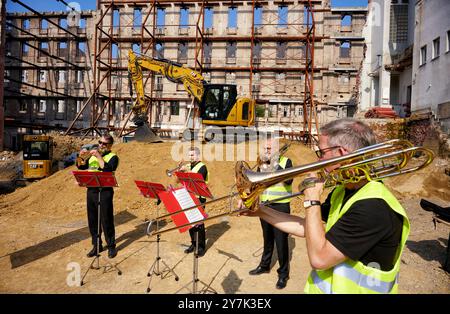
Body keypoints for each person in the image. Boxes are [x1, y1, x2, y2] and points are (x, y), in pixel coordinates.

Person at [243, 118, 410, 294]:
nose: (319, 159)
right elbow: (306, 228)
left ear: (342, 153)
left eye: (322, 153)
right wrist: (260, 211)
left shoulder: (372, 207)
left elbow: (319, 259)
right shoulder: (342, 191)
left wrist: (312, 199)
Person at [248, 138, 293, 289]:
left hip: (280, 206)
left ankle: (283, 274)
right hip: (265, 205)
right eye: (264, 148)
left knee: (281, 242)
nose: (266, 151)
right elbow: (257, 184)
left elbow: (289, 181)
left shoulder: (286, 162)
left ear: (276, 150)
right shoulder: (262, 163)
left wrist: (274, 164)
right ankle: (264, 265)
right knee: (267, 238)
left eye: (269, 149)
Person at [77, 133, 119, 259]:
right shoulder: (92, 156)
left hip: (105, 191)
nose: (100, 145)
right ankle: (97, 245)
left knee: (106, 220)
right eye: (99, 142)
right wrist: (80, 157)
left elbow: (107, 170)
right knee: (93, 220)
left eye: (104, 143)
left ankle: (111, 246)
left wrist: (99, 156)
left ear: (110, 145)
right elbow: (81, 166)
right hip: (92, 191)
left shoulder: (113, 157)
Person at [180, 146, 208, 257]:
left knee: (199, 223)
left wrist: (186, 171)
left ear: (198, 155)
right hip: (189, 197)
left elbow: (197, 179)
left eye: (192, 155)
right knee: (190, 222)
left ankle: (201, 247)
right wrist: (179, 172)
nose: (190, 157)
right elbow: (179, 181)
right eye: (189, 155)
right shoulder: (188, 166)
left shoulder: (203, 167)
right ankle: (193, 243)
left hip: (199, 198)